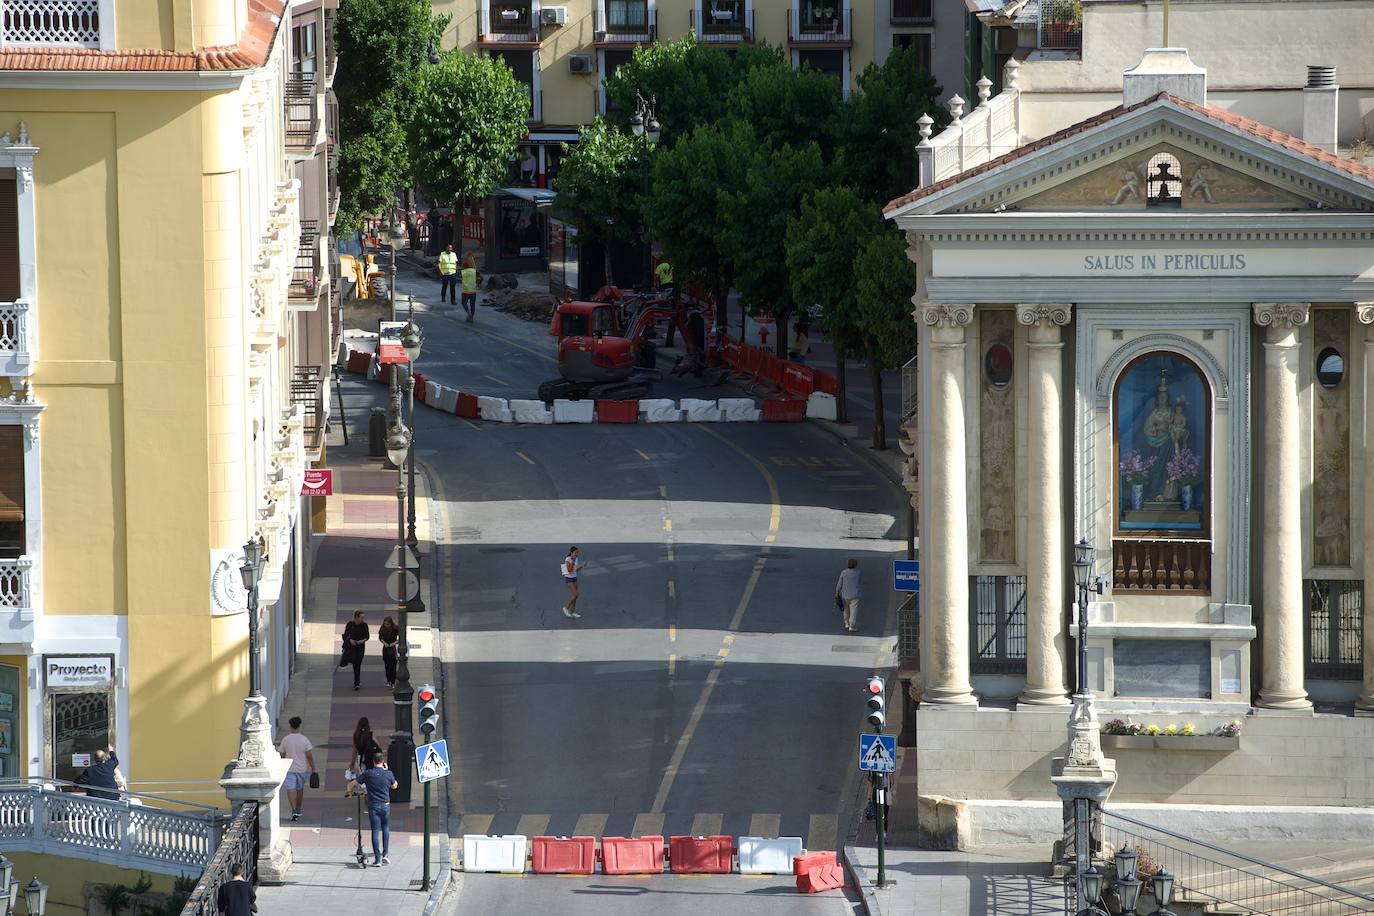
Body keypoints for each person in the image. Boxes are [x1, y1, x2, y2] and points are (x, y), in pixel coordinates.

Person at [347, 751, 398, 867]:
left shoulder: (368, 774)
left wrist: (349, 793)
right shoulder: (388, 773)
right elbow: (394, 786)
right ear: (383, 761)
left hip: (373, 805)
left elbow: (351, 784)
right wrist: (386, 771)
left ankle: (378, 859)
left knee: (375, 831)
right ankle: (385, 854)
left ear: (373, 762)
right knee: (385, 828)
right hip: (385, 805)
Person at [278, 716, 316, 821]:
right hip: (301, 769)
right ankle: (298, 809)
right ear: (299, 726)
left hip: (289, 768)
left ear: (290, 726)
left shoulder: (286, 739)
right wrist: (313, 768)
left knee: (290, 789)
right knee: (299, 789)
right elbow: (309, 755)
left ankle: (294, 809)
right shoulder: (304, 740)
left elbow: (282, 754)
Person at [341, 610, 369, 690]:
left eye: (363, 617)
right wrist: (350, 640)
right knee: (354, 663)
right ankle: (357, 682)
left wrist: (362, 641)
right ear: (356, 617)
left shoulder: (364, 625)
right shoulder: (350, 624)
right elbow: (346, 634)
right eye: (361, 617)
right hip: (351, 647)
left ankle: (357, 682)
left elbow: (367, 636)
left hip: (360, 647)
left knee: (357, 664)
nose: (363, 619)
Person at [836, 559, 861, 633]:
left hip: (845, 595)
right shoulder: (858, 573)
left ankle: (846, 623)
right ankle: (851, 625)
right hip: (855, 594)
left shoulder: (843, 572)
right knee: (853, 610)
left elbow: (840, 583)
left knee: (846, 609)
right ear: (855, 565)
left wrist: (837, 591)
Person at [561, 546, 584, 619]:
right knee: (576, 594)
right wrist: (573, 561)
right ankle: (566, 607)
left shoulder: (576, 559)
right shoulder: (568, 559)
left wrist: (582, 566)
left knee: (575, 596)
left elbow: (575, 570)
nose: (577, 554)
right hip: (569, 579)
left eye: (577, 552)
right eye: (575, 552)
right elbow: (569, 570)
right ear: (571, 552)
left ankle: (572, 612)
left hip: (574, 578)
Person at [378, 616, 399, 689]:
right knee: (387, 666)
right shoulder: (383, 628)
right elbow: (380, 637)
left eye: (387, 624)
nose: (386, 625)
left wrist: (394, 643)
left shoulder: (395, 628)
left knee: (393, 666)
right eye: (385, 624)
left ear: (391, 623)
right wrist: (384, 643)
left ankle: (393, 681)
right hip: (386, 648)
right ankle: (389, 680)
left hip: (392, 648)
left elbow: (401, 637)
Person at [460, 252, 480, 323]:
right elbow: (479, 278)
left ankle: (468, 313)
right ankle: (472, 317)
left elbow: (461, 278)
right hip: (473, 290)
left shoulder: (463, 272)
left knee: (464, 303)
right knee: (472, 304)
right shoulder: (474, 271)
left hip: (465, 290)